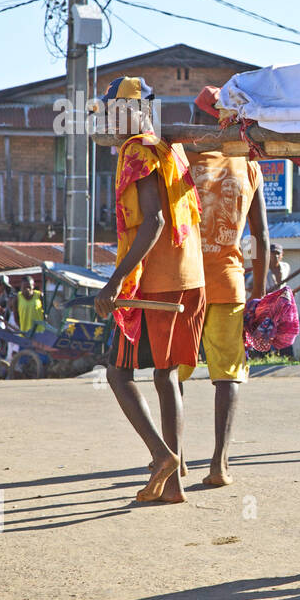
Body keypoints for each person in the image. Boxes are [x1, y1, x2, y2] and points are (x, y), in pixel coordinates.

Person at [93, 76, 206, 505]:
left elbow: (155, 222)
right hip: (189, 278)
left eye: (115, 110)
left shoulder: (137, 151)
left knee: (118, 373)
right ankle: (173, 484)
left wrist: (116, 279)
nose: (111, 118)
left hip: (154, 285)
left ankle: (162, 455)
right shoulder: (169, 147)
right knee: (165, 376)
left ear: (135, 111)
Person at [177, 147, 267, 487]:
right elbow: (258, 237)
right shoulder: (248, 165)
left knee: (174, 372)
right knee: (228, 375)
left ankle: (176, 458)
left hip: (183, 281)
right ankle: (219, 464)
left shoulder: (181, 156)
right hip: (227, 283)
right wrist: (257, 289)